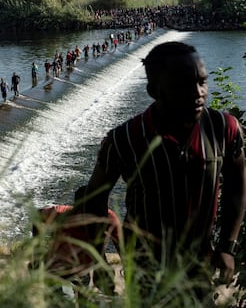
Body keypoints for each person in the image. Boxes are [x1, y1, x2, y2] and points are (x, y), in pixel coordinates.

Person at [63, 42, 246, 303]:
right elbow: (94, 199)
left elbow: (237, 187)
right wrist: (97, 258)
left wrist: (228, 245)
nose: (198, 93)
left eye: (202, 81)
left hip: (199, 263)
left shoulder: (223, 129)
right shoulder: (124, 139)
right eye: (183, 85)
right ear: (153, 91)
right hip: (146, 269)